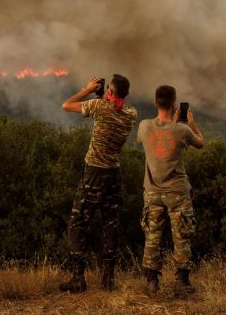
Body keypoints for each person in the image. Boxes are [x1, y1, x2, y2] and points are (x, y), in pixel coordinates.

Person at [59, 74, 138, 293]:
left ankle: (78, 280)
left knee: (77, 224)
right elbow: (115, 104)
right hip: (114, 173)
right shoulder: (131, 114)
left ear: (111, 93)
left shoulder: (98, 107)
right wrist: (104, 93)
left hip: (94, 172)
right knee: (110, 225)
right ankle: (108, 280)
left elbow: (66, 105)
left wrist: (87, 89)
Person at [136, 85, 204, 298]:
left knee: (152, 236)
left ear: (155, 102)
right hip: (177, 192)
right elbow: (200, 143)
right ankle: (182, 283)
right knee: (181, 237)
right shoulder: (182, 130)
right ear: (175, 105)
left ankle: (151, 281)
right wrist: (191, 123)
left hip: (152, 191)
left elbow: (147, 141)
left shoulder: (144, 126)